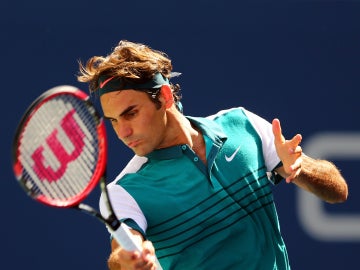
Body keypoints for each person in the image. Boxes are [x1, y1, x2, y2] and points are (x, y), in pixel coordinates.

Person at [77, 40, 348, 270]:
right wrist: (128, 258)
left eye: (131, 113)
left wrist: (301, 168)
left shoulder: (244, 126)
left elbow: (338, 191)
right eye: (113, 121)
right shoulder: (124, 192)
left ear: (164, 97)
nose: (122, 132)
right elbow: (122, 251)